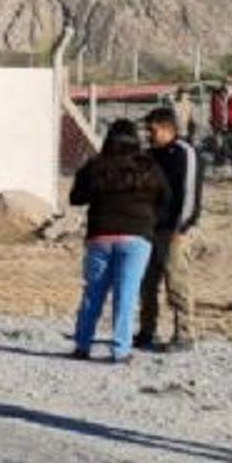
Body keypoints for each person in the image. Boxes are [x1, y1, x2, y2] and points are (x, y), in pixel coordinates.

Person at [68, 118, 170, 363]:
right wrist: (151, 220)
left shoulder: (95, 166)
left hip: (100, 235)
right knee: (127, 294)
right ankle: (120, 349)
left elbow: (76, 198)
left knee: (93, 293)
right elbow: (166, 198)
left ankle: (82, 345)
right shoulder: (149, 166)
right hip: (137, 237)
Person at [136, 107, 201, 354]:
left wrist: (181, 227)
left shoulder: (184, 153)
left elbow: (189, 194)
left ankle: (185, 333)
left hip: (175, 231)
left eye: (152, 130)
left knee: (177, 282)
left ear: (166, 128)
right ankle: (146, 330)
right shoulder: (151, 154)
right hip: (150, 228)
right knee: (148, 283)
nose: (148, 135)